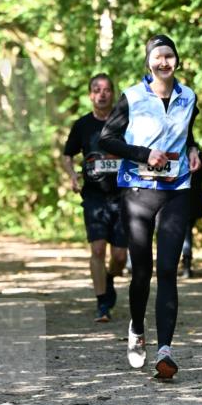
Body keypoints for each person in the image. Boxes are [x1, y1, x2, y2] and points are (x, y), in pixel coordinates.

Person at [98, 33, 201, 380]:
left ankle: (165, 351)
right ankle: (137, 328)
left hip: (177, 188)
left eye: (169, 56)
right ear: (148, 62)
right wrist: (144, 154)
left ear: (177, 60)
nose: (164, 62)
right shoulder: (131, 96)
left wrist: (193, 150)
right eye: (157, 56)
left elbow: (188, 132)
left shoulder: (188, 96)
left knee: (168, 269)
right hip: (138, 190)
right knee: (141, 271)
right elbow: (107, 139)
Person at [62, 74, 127, 322]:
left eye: (107, 90)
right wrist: (72, 177)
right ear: (90, 95)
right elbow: (67, 155)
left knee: (120, 257)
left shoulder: (125, 122)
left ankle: (110, 277)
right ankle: (102, 304)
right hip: (94, 196)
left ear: (113, 94)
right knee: (98, 249)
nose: (102, 94)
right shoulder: (82, 125)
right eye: (97, 90)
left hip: (123, 194)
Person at [181, 147, 202, 278]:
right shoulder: (199, 155)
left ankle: (185, 265)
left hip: (185, 198)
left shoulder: (177, 150)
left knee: (184, 232)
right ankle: (186, 265)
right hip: (194, 199)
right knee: (187, 232)